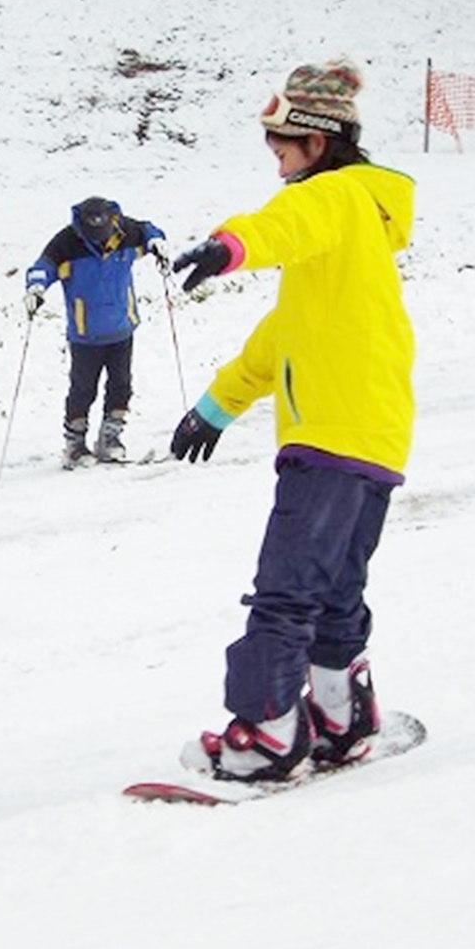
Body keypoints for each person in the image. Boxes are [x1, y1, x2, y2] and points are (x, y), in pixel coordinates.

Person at [164, 57, 417, 783]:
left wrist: (228, 246)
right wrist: (215, 408)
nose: (274, 157)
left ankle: (268, 734)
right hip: (373, 437)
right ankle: (342, 718)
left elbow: (285, 221)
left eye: (282, 143)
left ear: (319, 141)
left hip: (329, 437)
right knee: (335, 588)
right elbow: (280, 340)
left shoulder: (333, 199)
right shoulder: (355, 230)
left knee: (285, 589)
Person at [22, 196, 170, 467]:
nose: (101, 240)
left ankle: (110, 438)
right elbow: (42, 268)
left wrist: (157, 243)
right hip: (85, 334)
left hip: (122, 329)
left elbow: (149, 230)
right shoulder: (66, 243)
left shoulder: (125, 231)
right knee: (82, 390)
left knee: (121, 386)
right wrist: (35, 288)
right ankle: (75, 444)